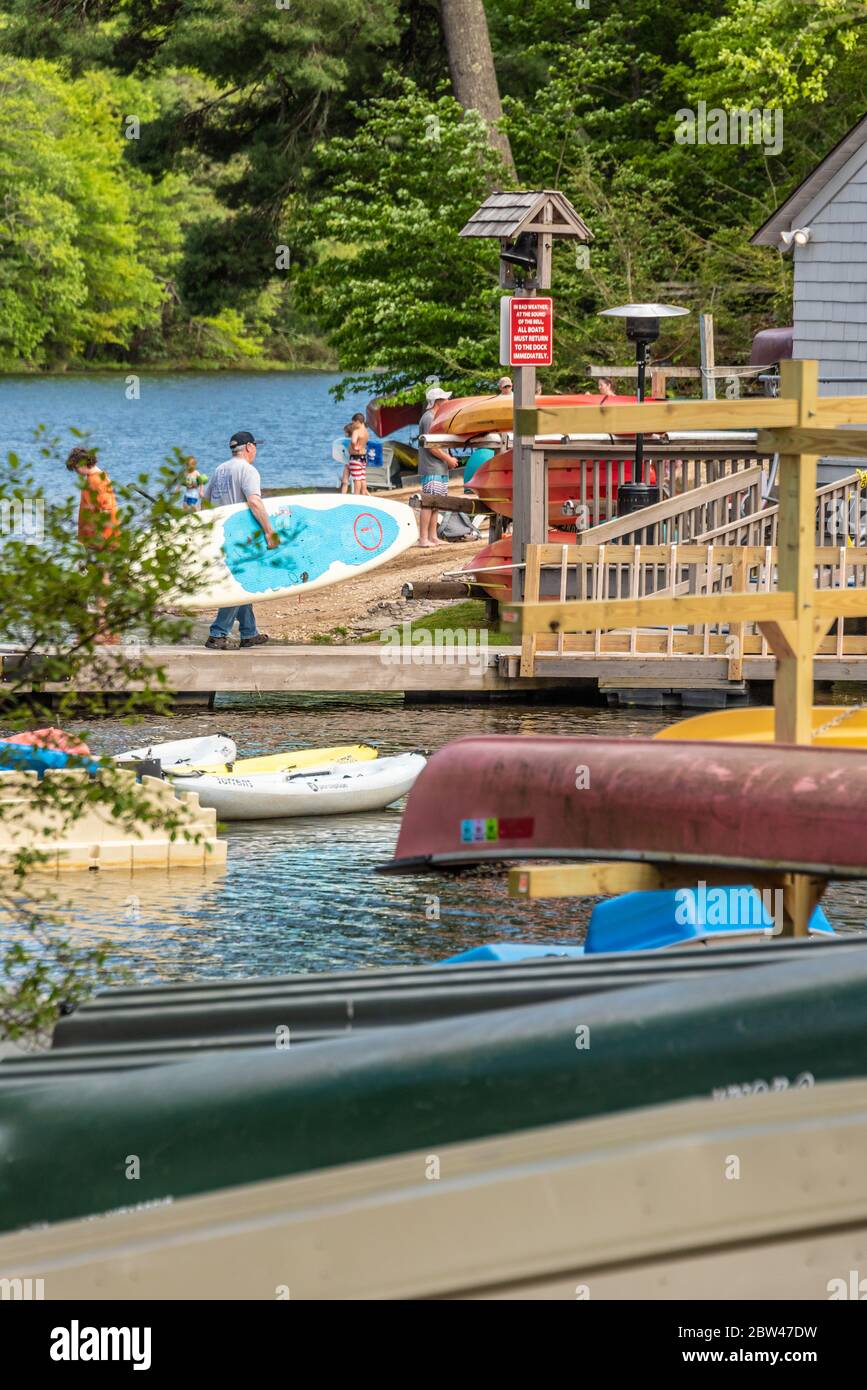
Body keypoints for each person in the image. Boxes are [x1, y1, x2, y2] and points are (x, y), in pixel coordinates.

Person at [203, 431, 279, 650]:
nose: (255, 450)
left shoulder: (220, 470)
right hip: (241, 538)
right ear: (248, 447)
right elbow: (255, 502)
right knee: (238, 586)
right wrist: (268, 530)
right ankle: (217, 634)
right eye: (255, 446)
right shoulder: (248, 470)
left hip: (221, 534)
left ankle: (248, 632)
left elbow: (205, 503)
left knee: (241, 583)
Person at [66, 446, 121, 645]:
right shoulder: (97, 478)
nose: (76, 473)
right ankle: (102, 629)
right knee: (97, 584)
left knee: (97, 584)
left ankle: (102, 631)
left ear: (82, 464)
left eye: (76, 468)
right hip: (96, 542)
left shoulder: (97, 480)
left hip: (100, 543)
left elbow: (106, 511)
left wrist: (98, 541)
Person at [416, 386, 459, 547]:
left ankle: (433, 536)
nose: (448, 401)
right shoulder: (428, 418)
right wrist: (448, 458)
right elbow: (431, 446)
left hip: (439, 466)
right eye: (445, 399)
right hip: (432, 466)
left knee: (437, 503)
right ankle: (423, 538)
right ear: (437, 401)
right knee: (428, 502)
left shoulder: (435, 417)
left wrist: (447, 460)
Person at [340, 413, 369, 494]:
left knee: (357, 479)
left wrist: (354, 446)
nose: (352, 425)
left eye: (353, 423)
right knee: (362, 478)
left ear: (357, 422)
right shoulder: (366, 432)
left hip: (355, 457)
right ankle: (363, 494)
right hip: (363, 457)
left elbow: (353, 441)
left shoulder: (356, 431)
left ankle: (356, 496)